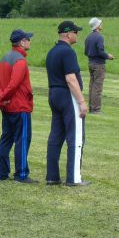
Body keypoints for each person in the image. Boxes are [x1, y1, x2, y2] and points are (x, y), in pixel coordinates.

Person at [45, 20, 89, 186]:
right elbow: (71, 78)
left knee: (55, 136)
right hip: (67, 96)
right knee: (76, 137)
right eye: (76, 32)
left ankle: (52, 176)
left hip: (54, 94)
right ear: (68, 33)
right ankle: (73, 178)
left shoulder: (52, 52)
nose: (77, 35)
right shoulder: (68, 52)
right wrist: (82, 102)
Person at [0, 29, 36, 183]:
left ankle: (2, 173)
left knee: (6, 138)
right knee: (22, 140)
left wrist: (1, 99)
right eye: (28, 39)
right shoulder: (20, 61)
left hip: (7, 107)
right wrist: (1, 100)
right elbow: (13, 85)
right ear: (22, 42)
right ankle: (21, 175)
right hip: (20, 107)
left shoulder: (5, 58)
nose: (30, 41)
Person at [83, 17, 114, 113]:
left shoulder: (88, 37)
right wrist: (108, 56)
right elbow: (100, 51)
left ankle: (92, 108)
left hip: (90, 63)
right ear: (97, 26)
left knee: (92, 86)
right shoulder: (100, 37)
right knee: (97, 88)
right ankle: (96, 109)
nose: (102, 25)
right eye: (100, 23)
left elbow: (85, 52)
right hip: (99, 65)